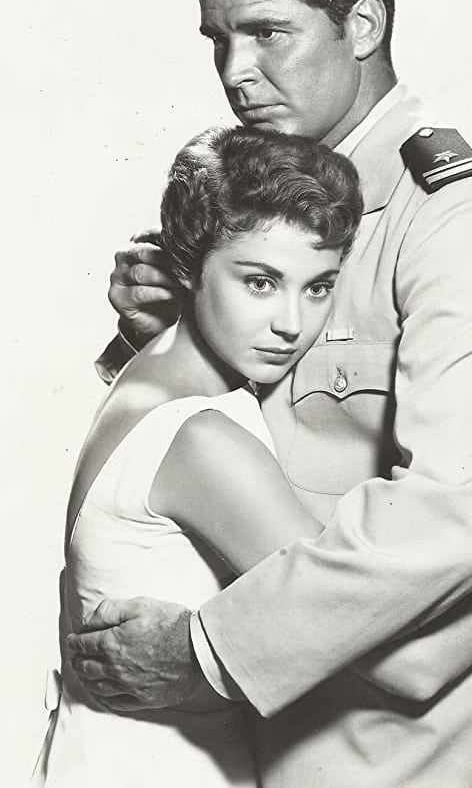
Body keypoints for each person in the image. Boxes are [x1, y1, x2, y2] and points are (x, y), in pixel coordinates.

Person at [68, 0, 472, 788]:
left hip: (403, 755)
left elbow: (445, 522)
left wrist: (207, 651)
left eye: (267, 33)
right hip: (245, 754)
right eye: (217, 39)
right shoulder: (263, 195)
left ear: (363, 25)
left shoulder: (462, 226)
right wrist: (163, 336)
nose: (234, 71)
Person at [32, 125, 364, 786]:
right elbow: (364, 626)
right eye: (261, 282)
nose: (292, 324)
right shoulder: (202, 437)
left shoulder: (150, 369)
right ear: (187, 265)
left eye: (318, 287)